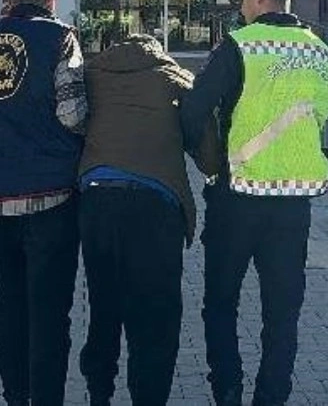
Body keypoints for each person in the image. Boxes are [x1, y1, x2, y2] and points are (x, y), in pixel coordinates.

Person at [180, 0, 328, 406]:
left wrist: (206, 159)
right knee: (282, 313)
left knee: (221, 304)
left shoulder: (238, 46)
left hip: (236, 198)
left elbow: (192, 112)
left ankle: (228, 392)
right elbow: (320, 120)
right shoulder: (320, 50)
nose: (241, 6)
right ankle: (272, 397)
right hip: (294, 203)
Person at [0, 0, 86, 406]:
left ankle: (15, 396)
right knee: (50, 310)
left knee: (10, 303)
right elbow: (73, 114)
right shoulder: (60, 38)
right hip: (51, 195)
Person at [77, 35, 221, 406]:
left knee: (104, 305)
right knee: (157, 315)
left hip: (97, 200)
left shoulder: (93, 75)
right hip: (155, 206)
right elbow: (208, 150)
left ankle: (99, 394)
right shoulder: (175, 78)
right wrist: (213, 166)